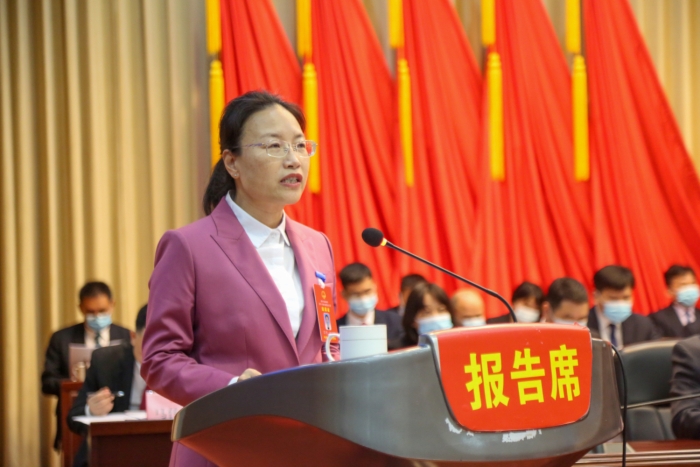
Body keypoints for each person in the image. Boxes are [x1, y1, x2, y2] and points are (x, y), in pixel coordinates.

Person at [141, 91, 337, 466]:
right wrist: (232, 389)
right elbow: (159, 359)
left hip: (306, 449)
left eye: (300, 145)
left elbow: (326, 346)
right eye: (274, 146)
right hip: (224, 448)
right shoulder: (189, 246)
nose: (293, 159)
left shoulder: (318, 246)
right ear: (232, 162)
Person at [41, 281, 131, 450]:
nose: (97, 317)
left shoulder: (126, 336)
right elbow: (47, 382)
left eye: (102, 311)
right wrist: (74, 383)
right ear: (81, 308)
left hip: (117, 416)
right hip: (74, 417)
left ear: (112, 305)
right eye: (91, 312)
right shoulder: (61, 339)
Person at [67, 305, 148, 467]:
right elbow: (73, 416)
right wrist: (91, 410)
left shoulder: (186, 363)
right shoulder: (106, 361)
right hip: (115, 449)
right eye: (150, 341)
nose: (158, 350)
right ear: (133, 337)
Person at [586, 265, 659, 349]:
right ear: (596, 296)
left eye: (626, 297)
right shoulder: (584, 324)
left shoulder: (642, 325)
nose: (620, 303)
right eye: (613, 298)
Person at [336, 263, 402, 346]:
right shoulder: (335, 330)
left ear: (374, 287)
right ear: (344, 295)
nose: (363, 299)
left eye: (367, 291)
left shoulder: (395, 322)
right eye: (356, 294)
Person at [649, 265, 700, 338]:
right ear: (669, 291)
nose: (689, 289)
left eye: (693, 283)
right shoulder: (657, 319)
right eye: (683, 285)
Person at [399, 282, 454, 348]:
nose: (435, 317)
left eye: (441, 310)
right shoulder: (399, 350)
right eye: (427, 312)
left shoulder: (459, 343)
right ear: (413, 320)